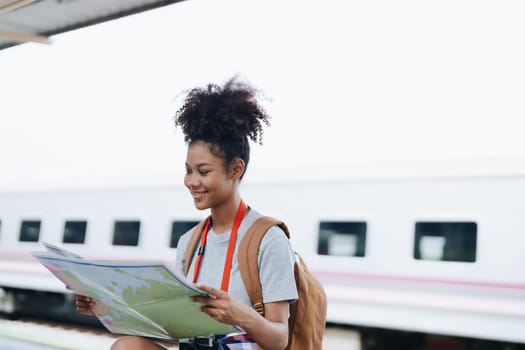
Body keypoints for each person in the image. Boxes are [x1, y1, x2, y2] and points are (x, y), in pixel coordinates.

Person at [73, 77, 298, 350]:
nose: (191, 181)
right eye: (188, 170)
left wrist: (240, 314)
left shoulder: (268, 239)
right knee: (127, 346)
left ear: (236, 169)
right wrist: (104, 307)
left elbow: (280, 339)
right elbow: (176, 334)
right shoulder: (190, 242)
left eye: (203, 172)